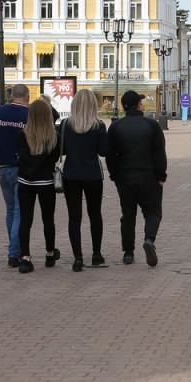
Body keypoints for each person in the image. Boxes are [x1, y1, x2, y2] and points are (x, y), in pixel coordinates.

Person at [106, 90, 167, 267]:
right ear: (139, 105)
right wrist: (161, 175)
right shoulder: (151, 125)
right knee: (153, 212)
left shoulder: (116, 127)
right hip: (148, 177)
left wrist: (114, 175)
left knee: (128, 215)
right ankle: (149, 239)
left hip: (125, 178)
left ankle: (128, 252)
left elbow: (111, 155)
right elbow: (159, 153)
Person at [60, 89, 110, 272]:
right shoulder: (99, 125)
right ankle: (96, 254)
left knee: (74, 217)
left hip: (71, 174)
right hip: (93, 175)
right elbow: (104, 151)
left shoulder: (65, 125)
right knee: (95, 214)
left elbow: (62, 150)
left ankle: (78, 258)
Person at [15, 99, 62, 273]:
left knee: (25, 220)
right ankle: (50, 253)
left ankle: (25, 258)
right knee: (48, 219)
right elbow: (56, 158)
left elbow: (19, 155)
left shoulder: (22, 135)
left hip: (25, 182)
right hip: (46, 182)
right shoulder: (54, 137)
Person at [0, 84, 31, 267]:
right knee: (19, 212)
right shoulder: (28, 115)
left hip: (3, 166)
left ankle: (14, 250)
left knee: (10, 210)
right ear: (27, 97)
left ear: (12, 95)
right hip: (21, 166)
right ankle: (14, 253)